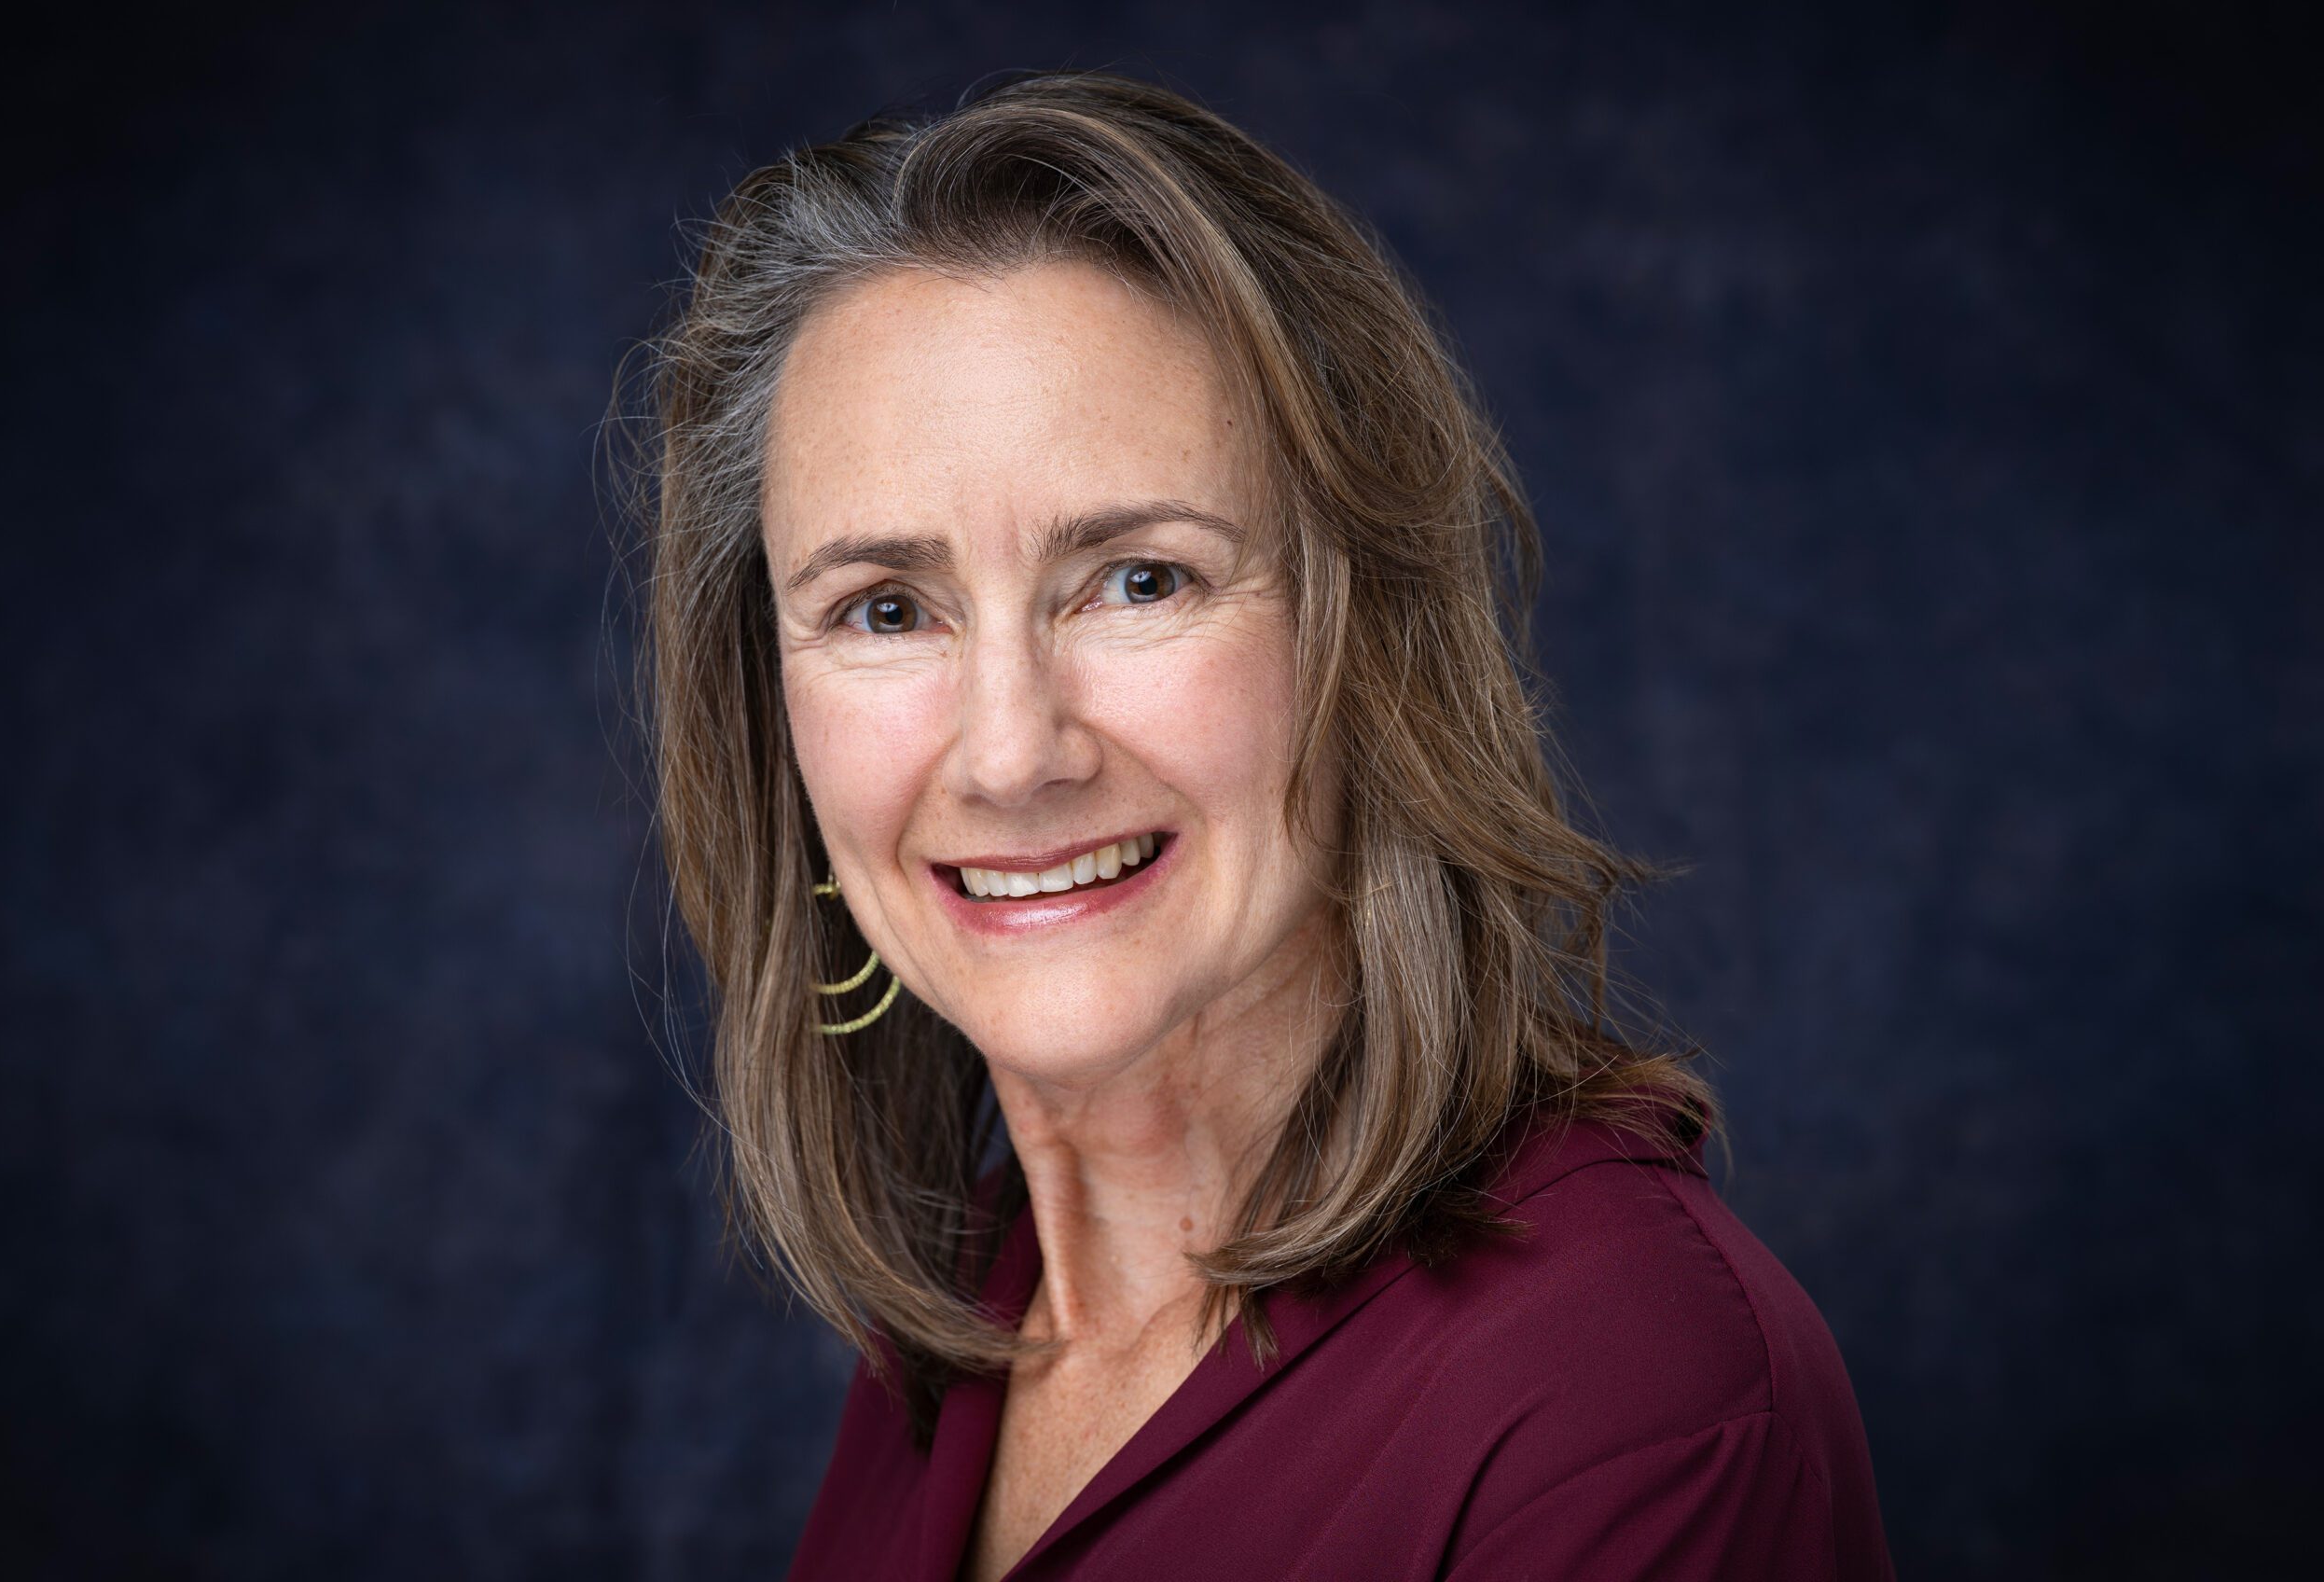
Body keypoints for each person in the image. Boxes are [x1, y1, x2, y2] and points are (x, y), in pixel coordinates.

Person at [626, 67, 1894, 1581]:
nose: (1012, 754)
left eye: (1141, 580)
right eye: (887, 610)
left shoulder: (1630, 1399)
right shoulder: (974, 1308)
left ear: (1366, 638)